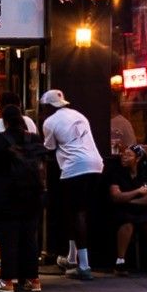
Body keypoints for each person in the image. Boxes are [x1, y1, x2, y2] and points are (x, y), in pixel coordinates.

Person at [40, 90, 104, 281]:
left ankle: (84, 265)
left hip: (75, 168)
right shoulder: (79, 115)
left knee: (77, 214)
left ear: (48, 107)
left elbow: (49, 148)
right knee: (75, 212)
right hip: (96, 165)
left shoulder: (49, 123)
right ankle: (71, 257)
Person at [0, 103, 46, 292]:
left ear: (4, 121)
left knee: (8, 238)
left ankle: (7, 280)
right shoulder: (34, 139)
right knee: (29, 237)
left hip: (7, 196)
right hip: (32, 196)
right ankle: (32, 279)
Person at [106, 144, 147, 275]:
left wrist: (130, 200)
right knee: (127, 224)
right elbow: (116, 196)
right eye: (123, 154)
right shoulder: (117, 172)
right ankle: (120, 262)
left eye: (129, 155)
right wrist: (138, 191)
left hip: (141, 209)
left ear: (137, 159)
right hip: (123, 210)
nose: (124, 157)